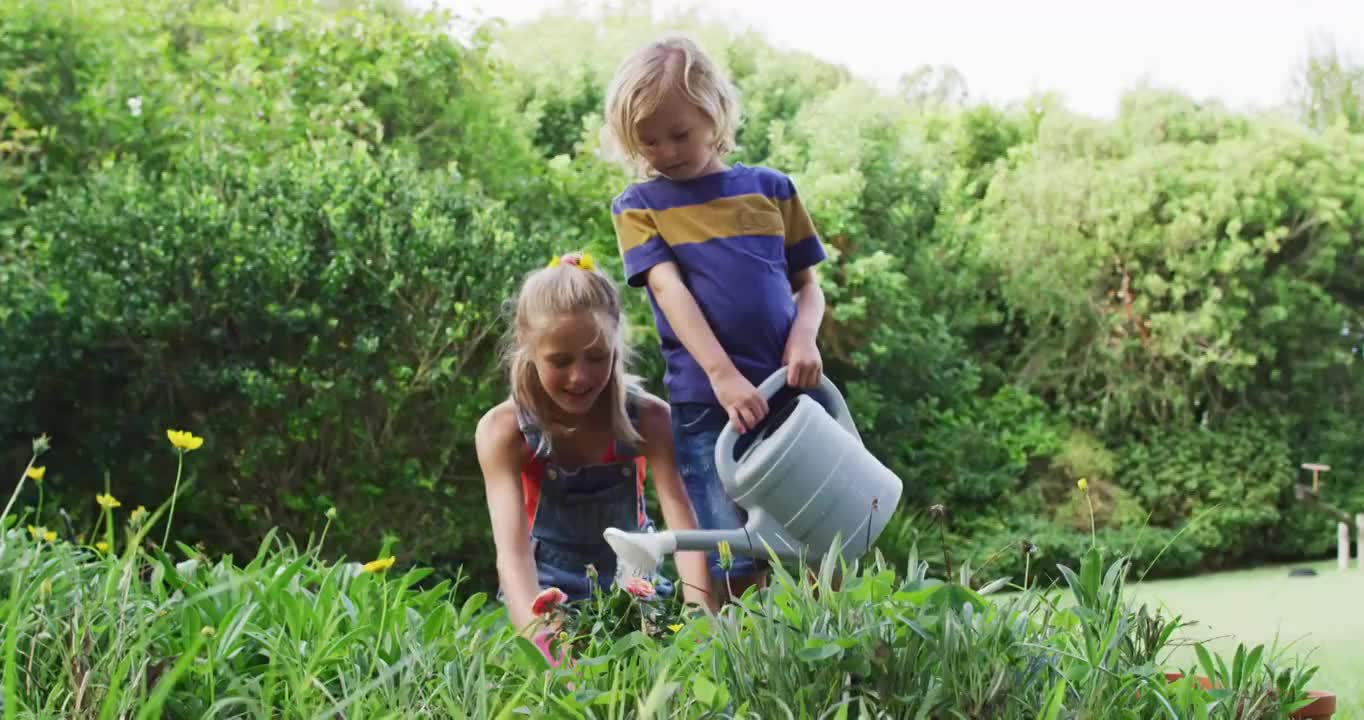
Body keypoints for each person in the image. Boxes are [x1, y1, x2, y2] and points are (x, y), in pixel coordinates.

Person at [602, 34, 828, 600]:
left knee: (816, 524)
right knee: (731, 541)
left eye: (680, 133)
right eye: (648, 141)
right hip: (708, 403)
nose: (667, 151)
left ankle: (829, 647)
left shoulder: (772, 191)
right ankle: (741, 657)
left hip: (789, 391)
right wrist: (723, 376)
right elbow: (669, 290)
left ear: (715, 112)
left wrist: (804, 340)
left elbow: (809, 287)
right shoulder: (639, 206)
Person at [475, 251, 713, 634]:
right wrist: (537, 636)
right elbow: (514, 557)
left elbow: (685, 532)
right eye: (561, 361)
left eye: (596, 357)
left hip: (635, 588)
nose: (579, 377)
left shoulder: (651, 420)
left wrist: (702, 620)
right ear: (528, 345)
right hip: (547, 593)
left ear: (615, 339)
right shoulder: (504, 432)